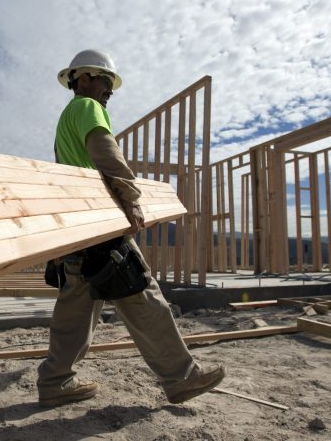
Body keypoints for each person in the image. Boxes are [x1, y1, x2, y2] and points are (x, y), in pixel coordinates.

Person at [37, 49, 225, 407]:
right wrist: (131, 197)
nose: (110, 90)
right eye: (106, 81)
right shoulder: (89, 108)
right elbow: (105, 152)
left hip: (78, 229)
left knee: (76, 308)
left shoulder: (65, 119)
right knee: (142, 295)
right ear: (85, 79)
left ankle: (55, 381)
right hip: (102, 226)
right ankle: (181, 377)